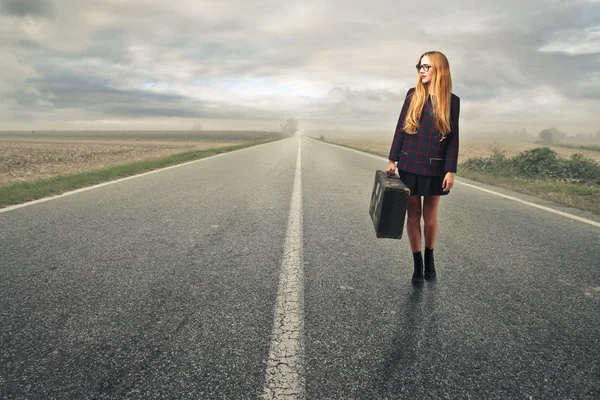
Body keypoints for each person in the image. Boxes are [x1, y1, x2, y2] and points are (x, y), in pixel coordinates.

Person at [385, 51, 460, 286]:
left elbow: (453, 139)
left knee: (429, 217)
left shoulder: (452, 100)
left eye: (427, 66)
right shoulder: (412, 95)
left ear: (439, 69)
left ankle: (430, 256)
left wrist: (450, 170)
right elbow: (400, 129)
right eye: (419, 66)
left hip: (436, 168)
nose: (421, 70)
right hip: (409, 164)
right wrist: (392, 159)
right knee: (413, 214)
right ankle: (417, 264)